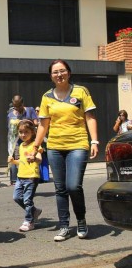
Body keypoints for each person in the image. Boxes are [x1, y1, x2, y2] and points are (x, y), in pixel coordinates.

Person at [31, 59, 99, 242]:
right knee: (60, 189)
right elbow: (43, 125)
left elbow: (90, 117)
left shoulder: (81, 91)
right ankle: (63, 226)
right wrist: (35, 147)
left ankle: (81, 220)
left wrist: (94, 141)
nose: (59, 74)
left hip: (78, 144)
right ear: (51, 76)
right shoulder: (47, 96)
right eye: (55, 72)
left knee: (73, 186)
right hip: (54, 146)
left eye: (62, 71)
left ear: (68, 73)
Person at [7, 119, 43, 232]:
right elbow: (21, 161)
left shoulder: (35, 145)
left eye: (26, 132)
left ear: (32, 132)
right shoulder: (21, 145)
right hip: (20, 176)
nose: (23, 134)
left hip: (31, 177)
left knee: (27, 200)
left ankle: (29, 221)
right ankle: (34, 211)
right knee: (17, 197)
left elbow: (40, 160)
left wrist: (35, 158)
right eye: (21, 132)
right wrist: (13, 161)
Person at [6, 95, 38, 185]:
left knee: (27, 158)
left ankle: (28, 178)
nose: (17, 108)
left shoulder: (30, 110)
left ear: (22, 104)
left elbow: (36, 123)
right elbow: (9, 129)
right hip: (16, 141)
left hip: (29, 140)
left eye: (19, 106)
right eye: (15, 106)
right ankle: (16, 181)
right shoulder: (10, 114)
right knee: (16, 159)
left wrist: (26, 122)